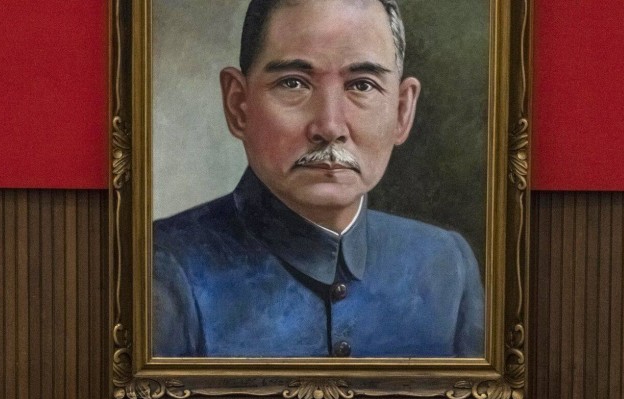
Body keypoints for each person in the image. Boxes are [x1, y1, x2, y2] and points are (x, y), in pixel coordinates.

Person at [152, 0, 484, 359]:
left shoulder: (446, 265)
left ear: (403, 111)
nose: (329, 127)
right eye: (294, 83)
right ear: (238, 105)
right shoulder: (165, 269)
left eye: (362, 85)